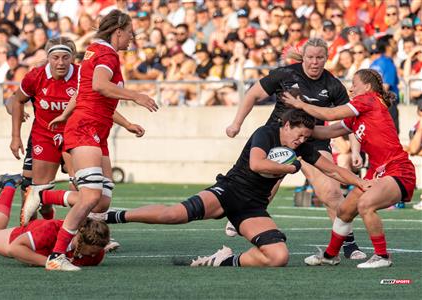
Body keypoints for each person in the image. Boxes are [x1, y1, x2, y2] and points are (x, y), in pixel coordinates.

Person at [103, 109, 369, 268]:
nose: (300, 142)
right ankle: (113, 216)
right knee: (174, 215)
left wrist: (360, 182)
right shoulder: (266, 133)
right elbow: (256, 164)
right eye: (297, 135)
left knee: (278, 257)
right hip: (230, 191)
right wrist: (289, 168)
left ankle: (222, 260)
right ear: (286, 125)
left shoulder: (301, 146)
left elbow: (332, 169)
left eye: (305, 138)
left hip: (253, 206)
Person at [23, 10, 158, 271]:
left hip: (96, 129)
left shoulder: (94, 51)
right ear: (118, 31)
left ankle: (45, 196)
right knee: (90, 196)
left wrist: (64, 114)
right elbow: (99, 85)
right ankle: (57, 256)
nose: (133, 37)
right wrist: (135, 95)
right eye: (130, 32)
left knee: (103, 199)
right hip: (86, 128)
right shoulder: (106, 54)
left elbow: (85, 91)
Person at [225, 38, 365, 259]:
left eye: (320, 57)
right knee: (265, 185)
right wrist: (236, 123)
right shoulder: (285, 74)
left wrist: (355, 150)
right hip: (278, 136)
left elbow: (350, 120)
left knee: (331, 191)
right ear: (304, 57)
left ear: (326, 58)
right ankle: (241, 215)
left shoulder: (333, 85)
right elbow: (252, 94)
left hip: (313, 139)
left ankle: (349, 244)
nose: (315, 62)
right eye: (310, 57)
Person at [282, 69, 416, 268]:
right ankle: (330, 255)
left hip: (398, 168)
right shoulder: (359, 112)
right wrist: (299, 130)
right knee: (344, 211)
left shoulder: (369, 99)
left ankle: (382, 256)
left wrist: (300, 104)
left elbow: (331, 113)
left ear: (368, 87)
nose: (350, 88)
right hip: (378, 171)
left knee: (365, 205)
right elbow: (328, 130)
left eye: (354, 84)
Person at [11, 37, 79, 224]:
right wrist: (15, 137)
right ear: (48, 58)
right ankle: (35, 230)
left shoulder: (82, 76)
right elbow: (15, 101)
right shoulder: (35, 76)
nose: (60, 62)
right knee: (37, 190)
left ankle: (87, 234)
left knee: (81, 187)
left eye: (66, 57)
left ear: (73, 57)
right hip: (44, 136)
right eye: (55, 57)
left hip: (74, 137)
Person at [0, 174, 110, 269]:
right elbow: (15, 248)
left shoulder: (97, 255)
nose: (95, 255)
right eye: (93, 251)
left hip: (42, 237)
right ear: (80, 240)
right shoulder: (52, 230)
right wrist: (50, 262)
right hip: (29, 234)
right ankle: (9, 184)